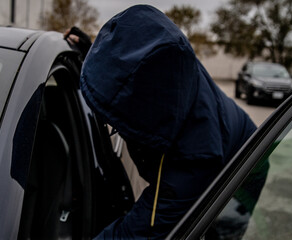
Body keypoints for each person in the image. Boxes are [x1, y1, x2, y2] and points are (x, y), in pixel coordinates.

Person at [65, 5, 257, 239]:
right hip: (224, 126)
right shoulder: (170, 64)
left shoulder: (192, 159)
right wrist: (98, 56)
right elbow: (132, 62)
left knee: (207, 231)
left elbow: (138, 234)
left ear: (144, 110)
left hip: (247, 164)